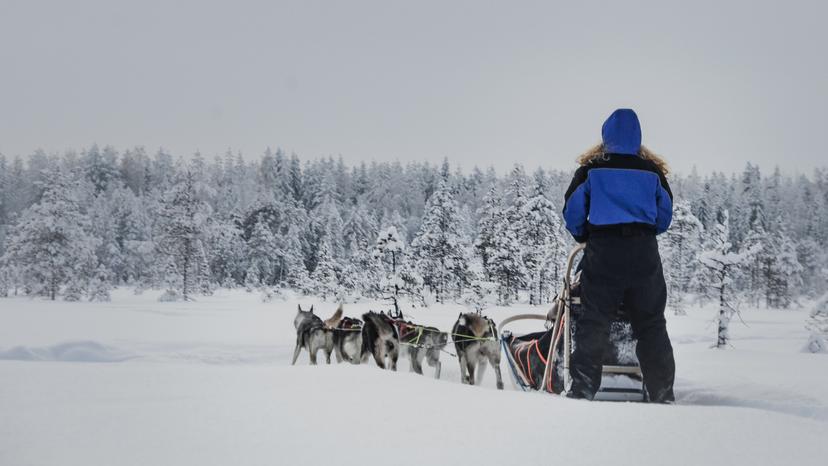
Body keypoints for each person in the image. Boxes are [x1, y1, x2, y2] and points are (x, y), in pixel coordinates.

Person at [562, 108, 675, 403]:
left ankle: (583, 389)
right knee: (651, 323)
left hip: (604, 253)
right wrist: (643, 233)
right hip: (644, 255)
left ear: (605, 136)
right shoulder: (652, 172)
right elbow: (664, 216)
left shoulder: (591, 170)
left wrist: (585, 236)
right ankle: (661, 392)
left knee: (594, 321)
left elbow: (573, 212)